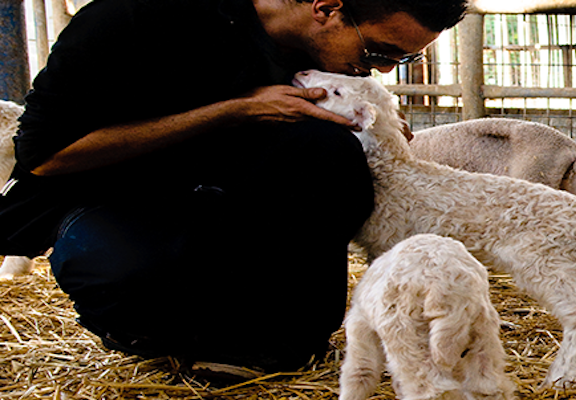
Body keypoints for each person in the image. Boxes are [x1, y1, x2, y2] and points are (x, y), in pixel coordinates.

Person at [9, 0, 468, 379]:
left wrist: (377, 130)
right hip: (114, 194)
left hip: (217, 188)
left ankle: (289, 341)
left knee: (332, 154)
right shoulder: (136, 16)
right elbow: (48, 156)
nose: (381, 71)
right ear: (326, 8)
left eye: (400, 61)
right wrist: (234, 111)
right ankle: (147, 327)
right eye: (377, 53)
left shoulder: (316, 59)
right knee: (129, 267)